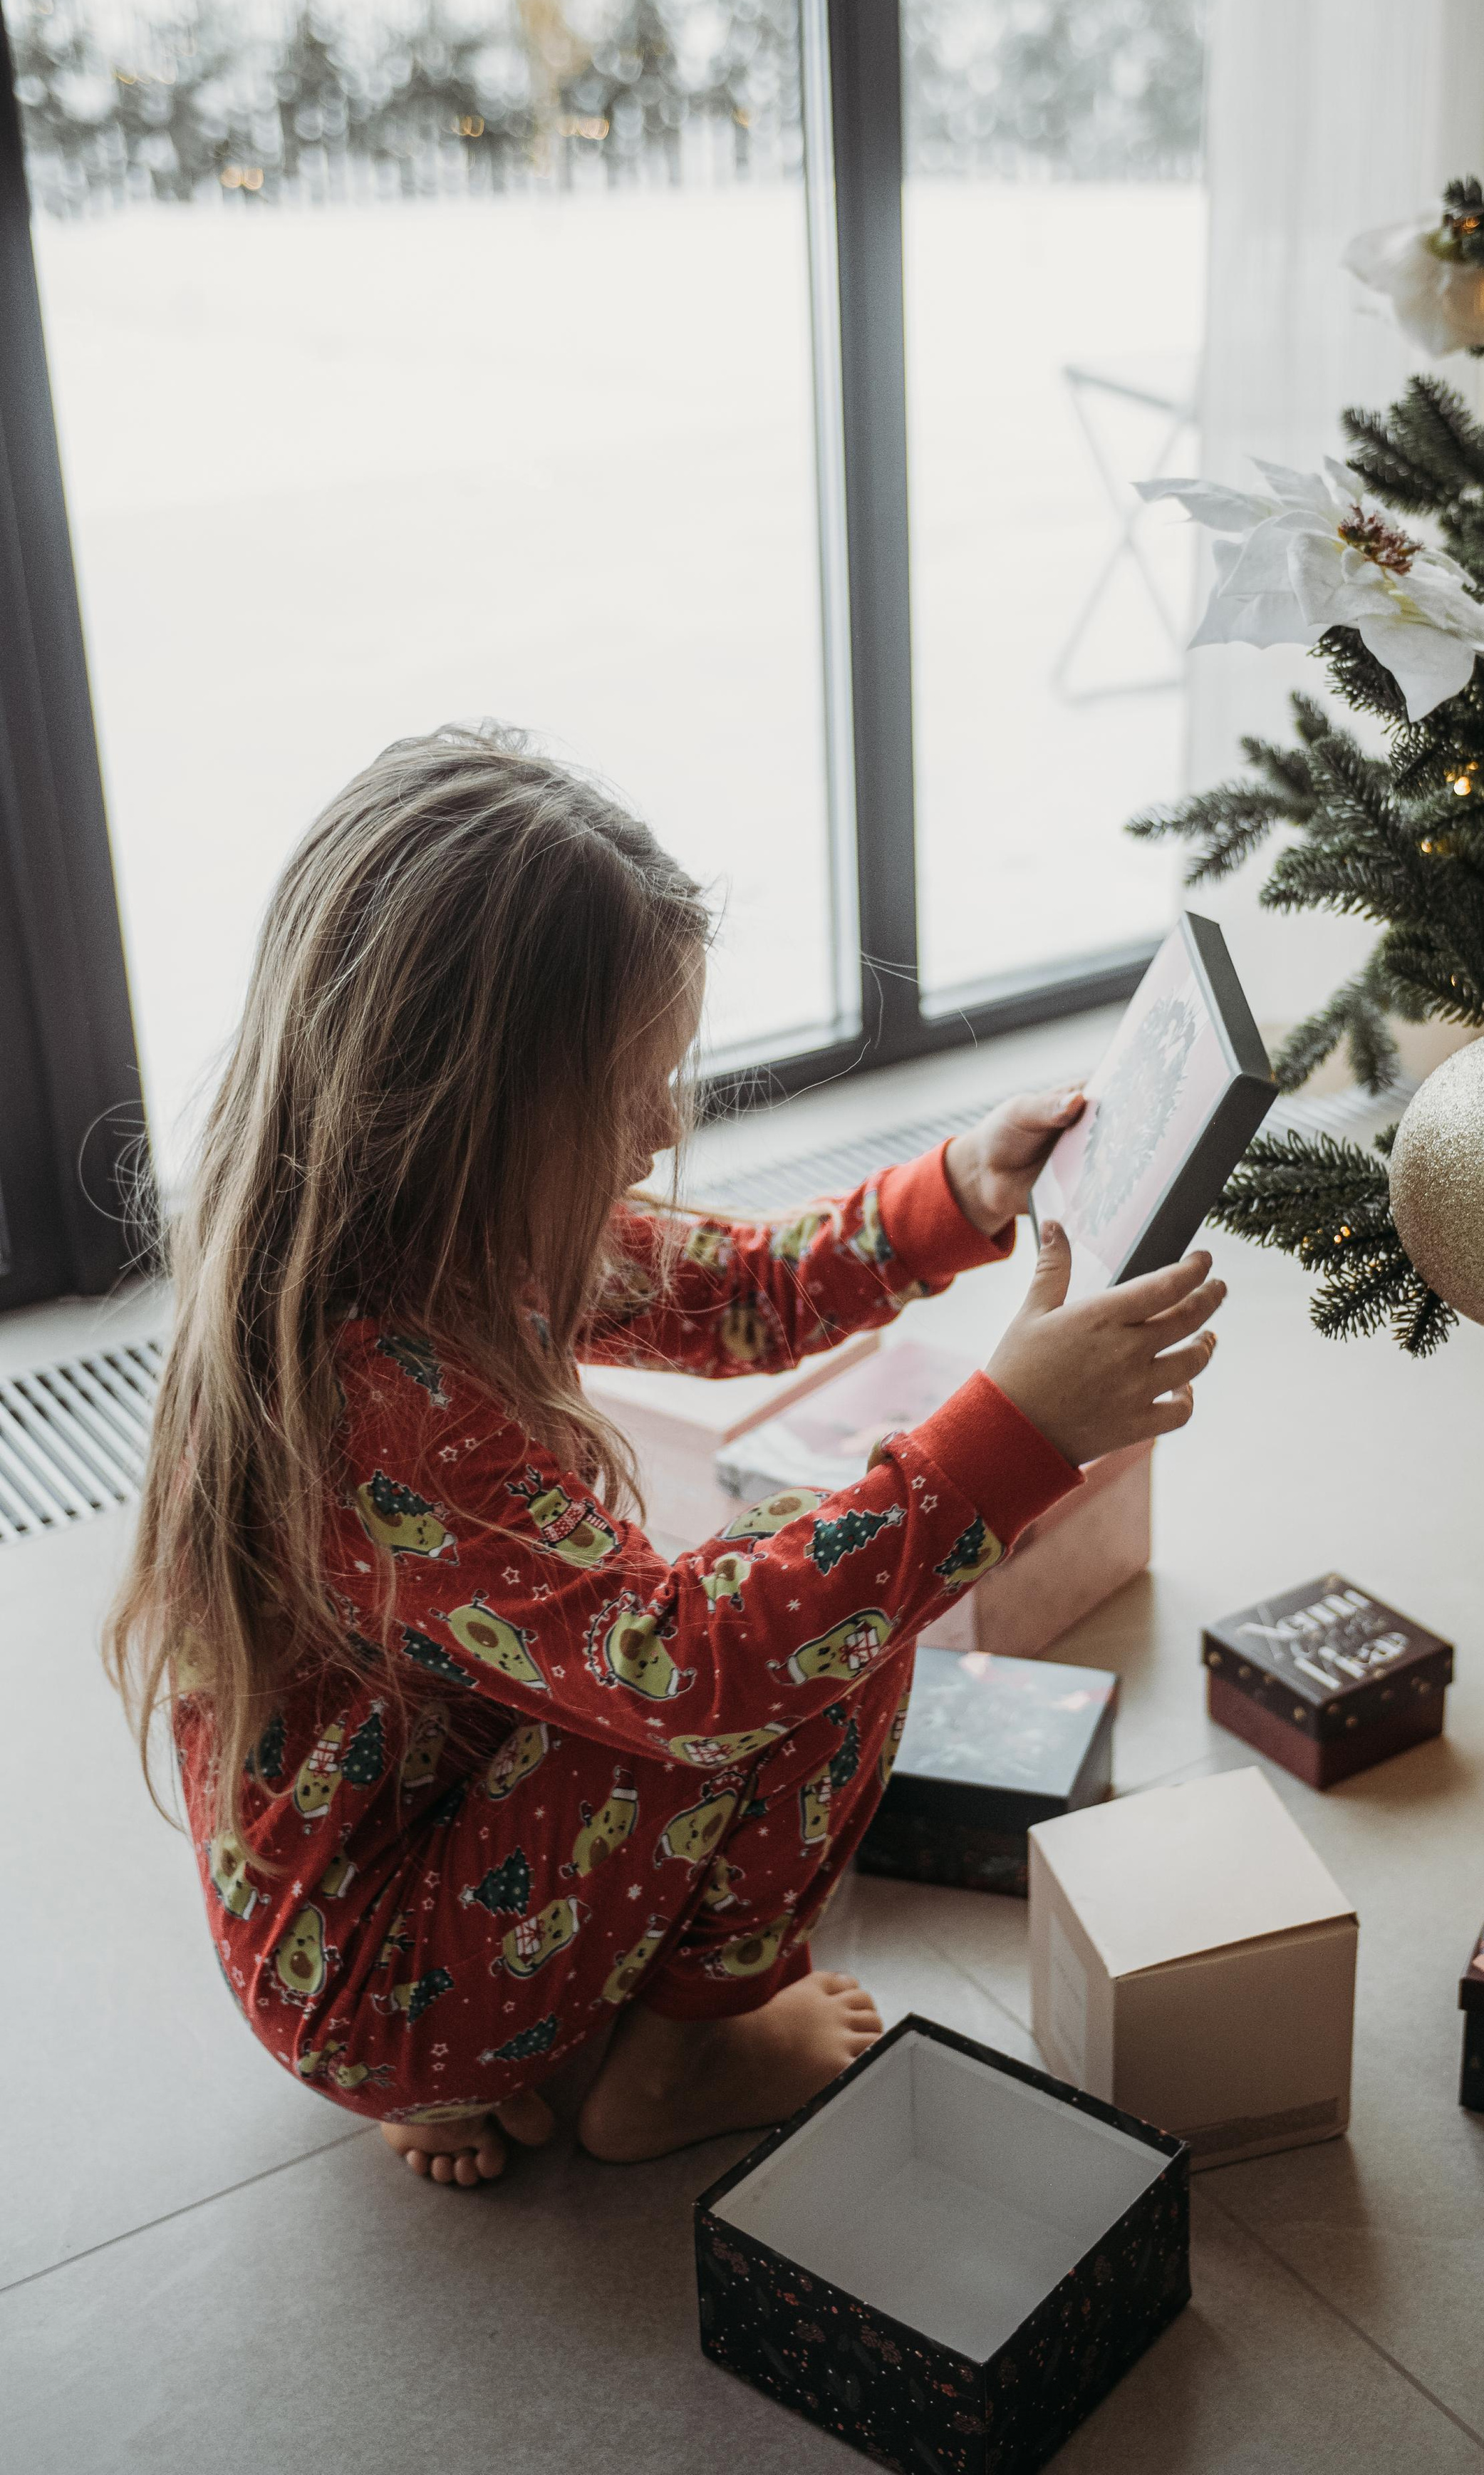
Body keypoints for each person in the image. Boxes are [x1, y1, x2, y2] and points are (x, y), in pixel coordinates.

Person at [105, 727, 1225, 2187]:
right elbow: (705, 1671)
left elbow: (743, 1290)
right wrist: (1012, 1437)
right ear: (475, 1104)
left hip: (374, 1888)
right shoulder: (381, 1402)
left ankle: (511, 2042)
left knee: (804, 1582)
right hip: (380, 1987)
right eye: (629, 1085)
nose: (664, 1122)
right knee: (824, 1620)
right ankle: (675, 2053)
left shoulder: (431, 1225)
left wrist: (957, 1191)